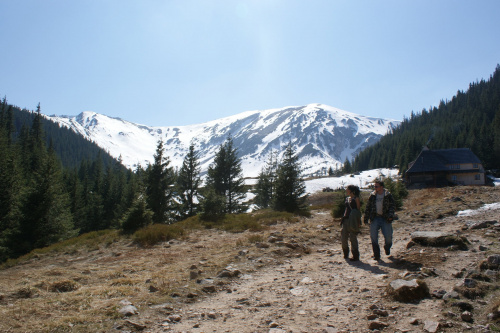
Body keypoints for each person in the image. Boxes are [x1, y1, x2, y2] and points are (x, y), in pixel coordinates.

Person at [364, 180, 396, 260]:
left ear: (381, 187)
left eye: (376, 186)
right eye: (374, 186)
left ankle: (387, 247)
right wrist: (366, 218)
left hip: (385, 218)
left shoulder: (388, 195)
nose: (375, 188)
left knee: (388, 237)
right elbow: (368, 207)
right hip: (375, 218)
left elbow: (392, 206)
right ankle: (376, 255)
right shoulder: (372, 195)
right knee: (373, 237)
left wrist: (390, 215)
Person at [341, 185, 362, 261]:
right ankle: (345, 253)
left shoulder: (356, 199)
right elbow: (346, 209)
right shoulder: (347, 199)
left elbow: (358, 211)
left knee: (353, 237)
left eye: (347, 189)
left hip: (353, 220)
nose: (346, 190)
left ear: (351, 190)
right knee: (344, 237)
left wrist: (358, 222)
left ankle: (355, 255)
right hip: (346, 219)